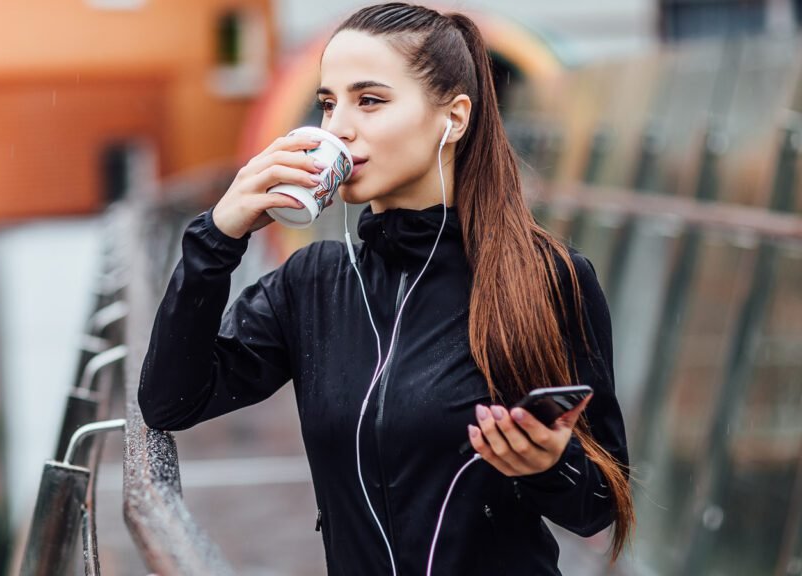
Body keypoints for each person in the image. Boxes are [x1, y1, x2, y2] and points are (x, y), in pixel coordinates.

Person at [138, 3, 634, 574]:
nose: (338, 128)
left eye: (369, 100)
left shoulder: (548, 276)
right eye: (328, 104)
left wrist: (551, 463)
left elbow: (601, 503)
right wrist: (218, 237)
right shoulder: (313, 284)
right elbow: (172, 400)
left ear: (454, 118)